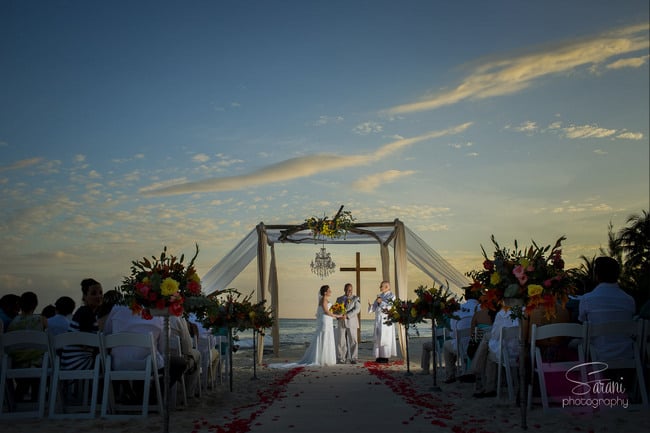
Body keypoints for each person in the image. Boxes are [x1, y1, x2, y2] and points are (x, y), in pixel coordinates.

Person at [269, 285, 342, 368]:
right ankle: (322, 359)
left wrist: (336, 313)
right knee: (324, 337)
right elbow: (326, 312)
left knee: (327, 337)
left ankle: (326, 358)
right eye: (329, 290)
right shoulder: (324, 300)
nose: (330, 291)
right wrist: (337, 316)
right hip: (325, 320)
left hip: (328, 320)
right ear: (325, 292)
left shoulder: (325, 300)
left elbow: (329, 311)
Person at [578, 256, 636, 360]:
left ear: (597, 276)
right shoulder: (629, 300)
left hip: (597, 355)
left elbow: (583, 325)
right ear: (617, 274)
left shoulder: (587, 299)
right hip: (627, 355)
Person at [7, 291, 49, 401]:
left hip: (17, 364)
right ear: (36, 305)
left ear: (20, 305)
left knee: (23, 383)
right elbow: (49, 336)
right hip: (38, 364)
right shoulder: (41, 320)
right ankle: (37, 399)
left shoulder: (13, 323)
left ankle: (19, 398)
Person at [60, 278, 103, 371]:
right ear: (85, 296)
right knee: (109, 364)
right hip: (77, 363)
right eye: (93, 293)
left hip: (68, 362)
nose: (98, 296)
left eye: (100, 292)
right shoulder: (85, 313)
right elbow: (86, 343)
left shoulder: (84, 312)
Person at [441, 288, 479, 383]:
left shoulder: (458, 309)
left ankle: (450, 374)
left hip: (461, 346)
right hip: (478, 345)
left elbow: (453, 333)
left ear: (465, 297)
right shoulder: (480, 308)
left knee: (446, 345)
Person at [368, 280, 397, 363]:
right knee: (378, 337)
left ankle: (385, 356)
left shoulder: (392, 296)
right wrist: (371, 306)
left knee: (385, 338)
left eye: (381, 286)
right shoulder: (379, 295)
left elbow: (390, 307)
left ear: (387, 287)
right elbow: (375, 306)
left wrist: (381, 302)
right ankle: (379, 356)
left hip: (386, 319)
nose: (380, 287)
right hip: (378, 319)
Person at [335, 283, 361, 364]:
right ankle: (341, 358)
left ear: (352, 290)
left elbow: (357, 309)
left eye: (350, 289)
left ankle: (354, 358)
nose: (348, 291)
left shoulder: (356, 298)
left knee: (353, 341)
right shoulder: (339, 299)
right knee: (341, 341)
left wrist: (347, 315)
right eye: (347, 289)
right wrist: (338, 315)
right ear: (344, 289)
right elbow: (335, 310)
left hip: (351, 322)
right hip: (341, 322)